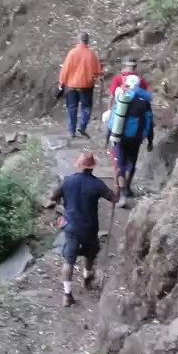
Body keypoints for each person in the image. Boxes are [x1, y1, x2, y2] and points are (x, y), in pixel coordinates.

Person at [43, 151, 119, 307]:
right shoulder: (97, 184)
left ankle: (67, 294)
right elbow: (114, 199)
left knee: (69, 259)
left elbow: (52, 197)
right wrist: (118, 185)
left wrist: (61, 200)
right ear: (92, 168)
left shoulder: (67, 181)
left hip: (70, 226)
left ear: (78, 165)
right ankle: (86, 277)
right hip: (89, 227)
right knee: (90, 253)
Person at [107, 75, 154, 208]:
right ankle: (128, 188)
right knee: (131, 164)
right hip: (136, 139)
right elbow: (149, 122)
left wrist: (109, 136)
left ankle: (122, 195)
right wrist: (150, 139)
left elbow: (113, 121)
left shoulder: (122, 99)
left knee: (120, 165)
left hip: (120, 138)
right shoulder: (144, 102)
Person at [58, 32, 102, 139]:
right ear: (88, 41)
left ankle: (71, 131)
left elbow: (65, 69)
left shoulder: (72, 53)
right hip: (87, 85)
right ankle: (82, 126)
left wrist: (61, 83)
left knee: (72, 108)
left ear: (77, 40)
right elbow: (97, 72)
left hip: (72, 85)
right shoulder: (91, 54)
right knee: (86, 107)